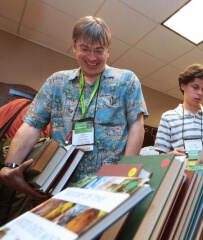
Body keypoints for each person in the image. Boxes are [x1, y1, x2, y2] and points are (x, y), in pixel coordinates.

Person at [0, 16, 148, 220]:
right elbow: (32, 123)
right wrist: (10, 166)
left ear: (108, 51)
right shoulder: (56, 82)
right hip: (59, 187)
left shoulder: (126, 81)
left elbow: (136, 125)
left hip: (107, 186)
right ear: (74, 46)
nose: (92, 57)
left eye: (99, 50)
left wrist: (125, 172)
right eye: (85, 48)